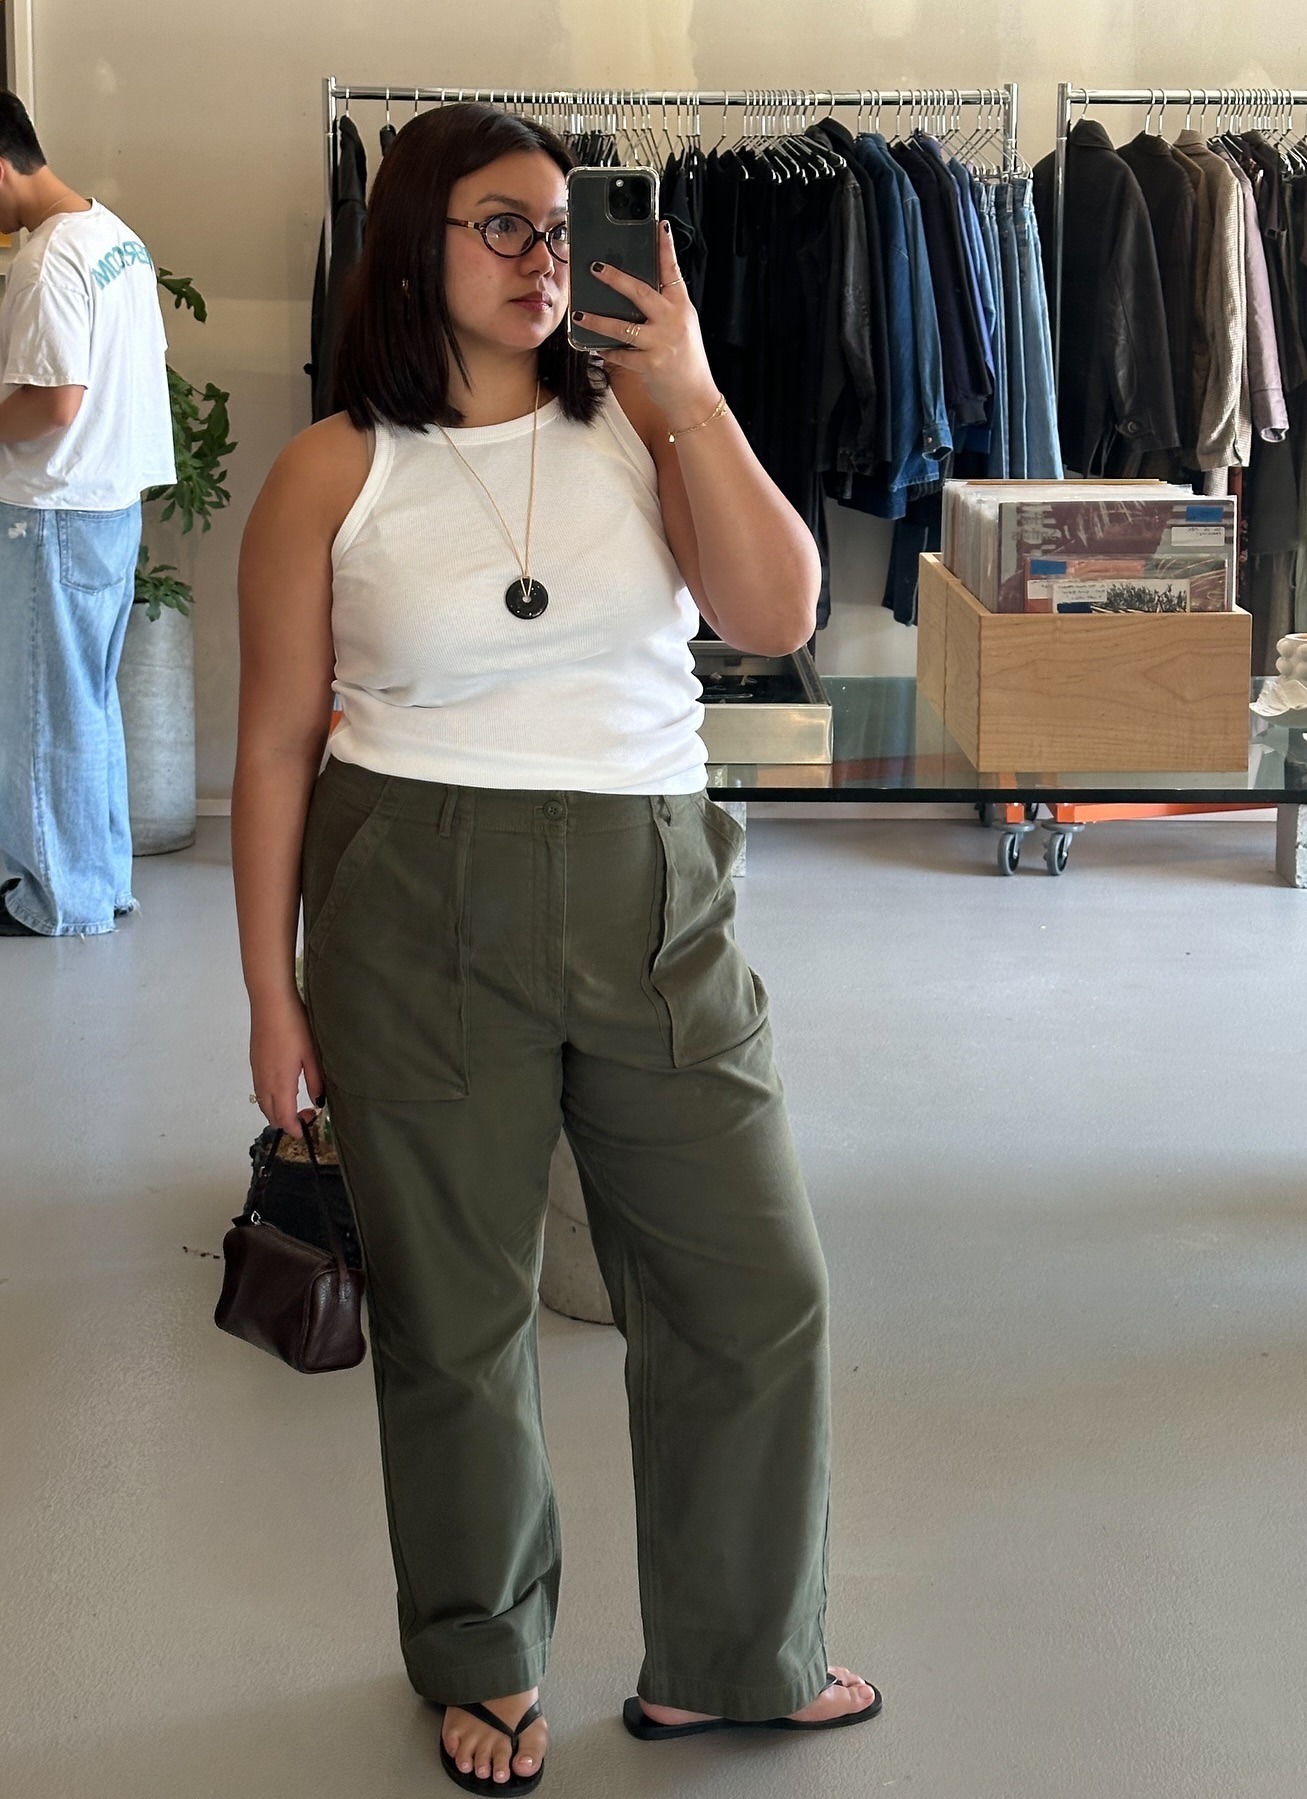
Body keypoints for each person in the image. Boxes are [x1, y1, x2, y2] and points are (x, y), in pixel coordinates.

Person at [233, 103, 880, 1792]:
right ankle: (485, 1651)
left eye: (559, 225)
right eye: (496, 226)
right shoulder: (333, 465)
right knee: (458, 1314)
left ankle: (736, 1655)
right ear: (413, 247)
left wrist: (691, 392)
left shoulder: (644, 429)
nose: (538, 259)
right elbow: (276, 742)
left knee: (754, 1283)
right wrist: (266, 992)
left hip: (656, 887)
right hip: (412, 903)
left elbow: (777, 611)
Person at [0, 90, 175, 938]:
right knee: (89, 702)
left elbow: (54, 401)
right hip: (111, 503)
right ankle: (99, 882)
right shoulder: (119, 239)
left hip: (51, 509)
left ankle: (52, 900)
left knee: (42, 711)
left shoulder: (44, 261)